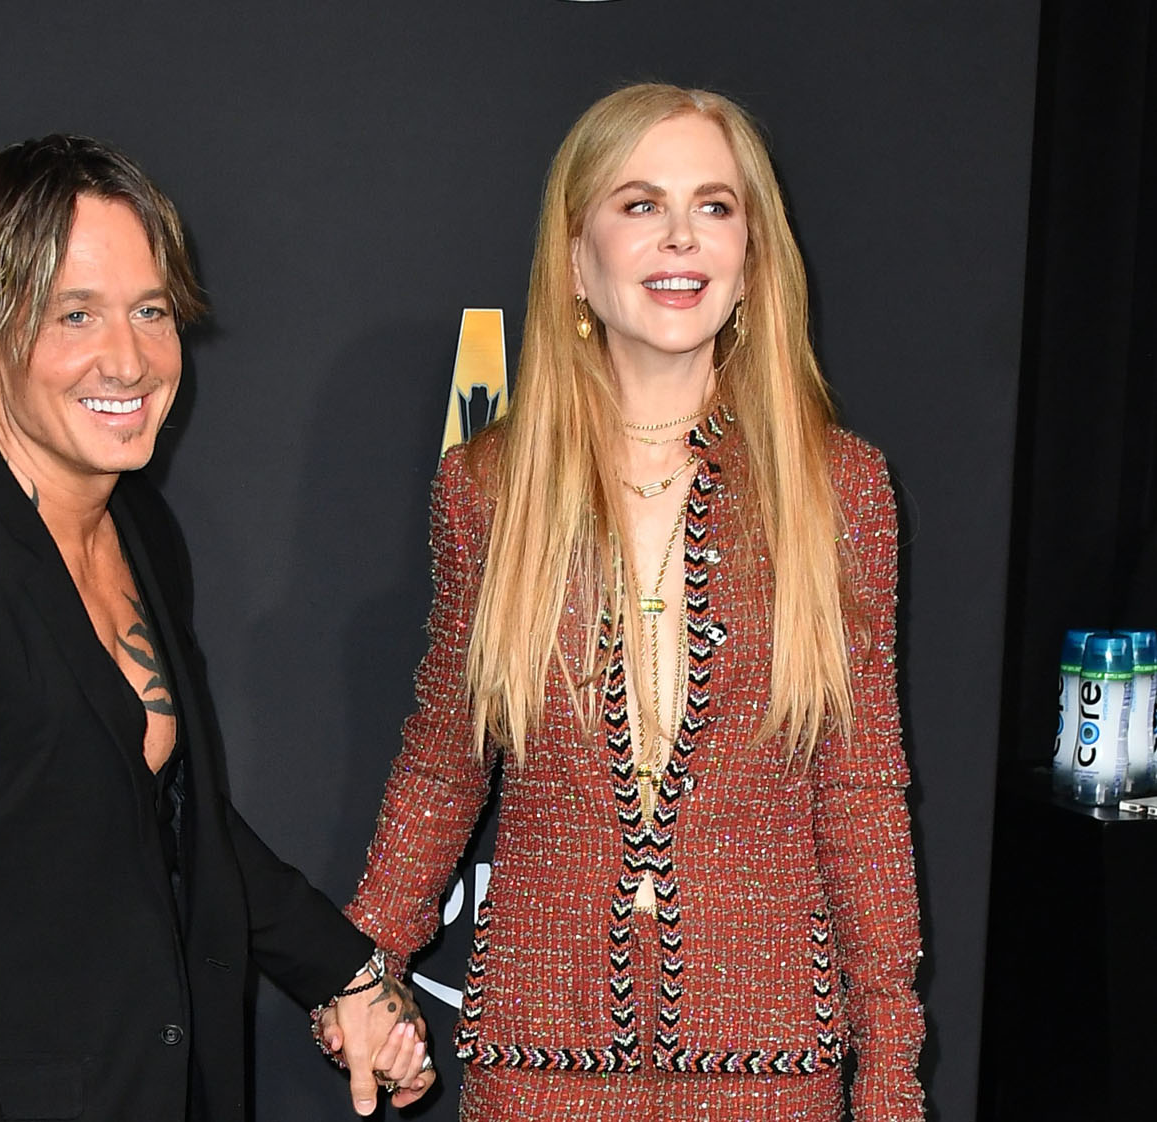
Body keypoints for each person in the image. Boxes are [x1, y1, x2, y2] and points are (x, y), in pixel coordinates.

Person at [0, 134, 434, 1122]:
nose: (130, 359)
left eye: (151, 310)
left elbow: (167, 817)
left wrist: (344, 973)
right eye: (76, 314)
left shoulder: (140, 531)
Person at [341, 84, 925, 1121]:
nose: (681, 237)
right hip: (540, 1046)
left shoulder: (840, 488)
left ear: (752, 259)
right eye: (641, 203)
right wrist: (362, 965)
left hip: (768, 1052)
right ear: (576, 258)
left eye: (714, 206)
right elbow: (446, 756)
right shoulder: (488, 489)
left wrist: (887, 1077)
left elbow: (860, 787)